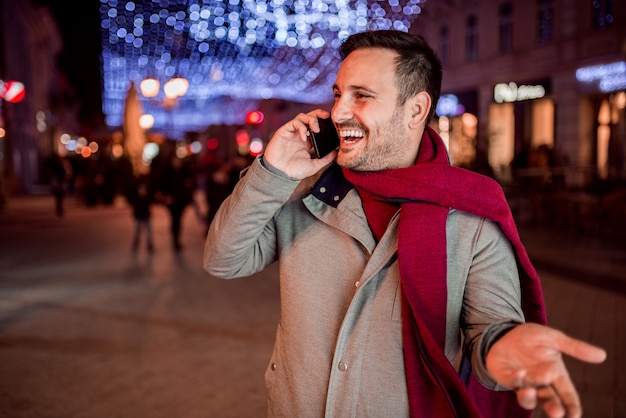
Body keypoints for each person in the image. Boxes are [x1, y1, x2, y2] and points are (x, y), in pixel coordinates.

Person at [203, 30, 606, 418]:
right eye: (339, 94)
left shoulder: (469, 211)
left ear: (415, 109)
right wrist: (272, 170)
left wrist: (504, 346)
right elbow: (224, 260)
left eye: (362, 96)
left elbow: (490, 327)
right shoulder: (306, 187)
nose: (339, 111)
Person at [128, 173, 154, 253]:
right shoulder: (135, 196)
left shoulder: (147, 195)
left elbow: (150, 200)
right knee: (137, 231)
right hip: (139, 214)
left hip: (145, 214)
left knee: (148, 231)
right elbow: (132, 200)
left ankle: (149, 245)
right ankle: (136, 244)